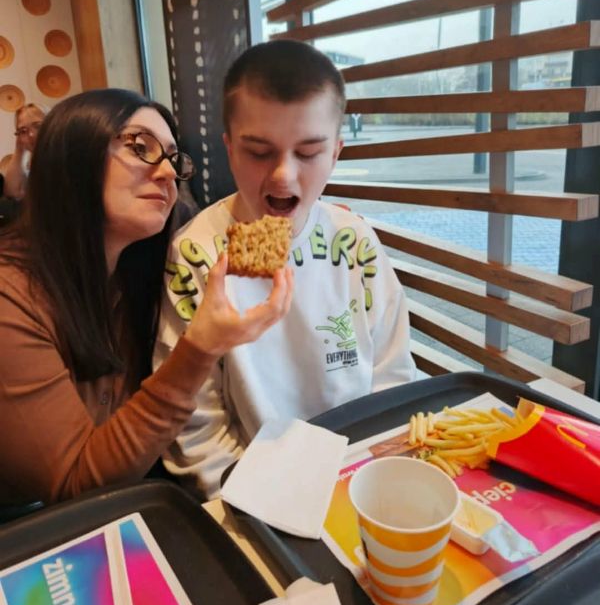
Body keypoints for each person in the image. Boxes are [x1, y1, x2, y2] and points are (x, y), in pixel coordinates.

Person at [0, 88, 293, 506]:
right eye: (141, 147)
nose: (168, 173)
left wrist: (315, 222)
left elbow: (216, 226)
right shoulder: (11, 295)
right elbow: (74, 483)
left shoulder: (143, 268)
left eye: (173, 158)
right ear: (73, 155)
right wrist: (199, 348)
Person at [155, 40, 418, 497]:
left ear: (335, 153)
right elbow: (196, 428)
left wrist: (377, 479)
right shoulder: (196, 254)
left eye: (309, 153)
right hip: (255, 489)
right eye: (259, 152)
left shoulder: (356, 242)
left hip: (363, 475)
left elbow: (392, 377)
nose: (283, 175)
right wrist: (257, 500)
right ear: (229, 149)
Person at [0, 102, 46, 200]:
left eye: (38, 126)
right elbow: (13, 193)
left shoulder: (67, 155)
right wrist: (19, 149)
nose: (31, 134)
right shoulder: (27, 163)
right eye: (23, 131)